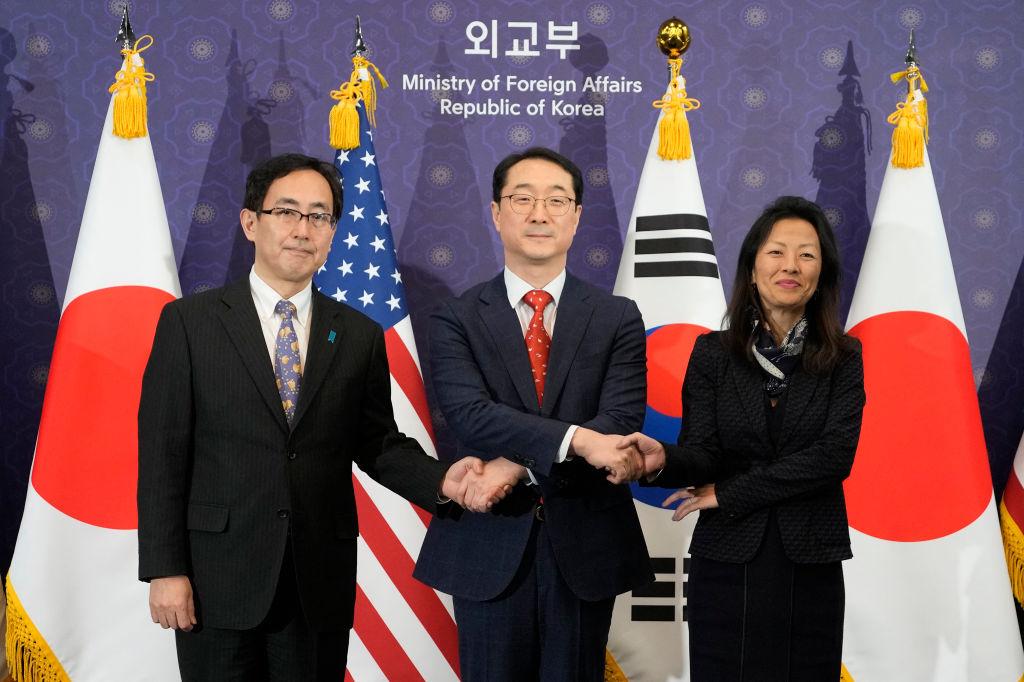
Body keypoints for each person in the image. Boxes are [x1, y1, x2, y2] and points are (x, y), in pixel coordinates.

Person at [137, 153, 504, 681]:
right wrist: (165, 569)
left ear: (332, 232)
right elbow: (163, 454)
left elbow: (377, 443)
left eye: (319, 216)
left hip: (317, 581)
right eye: (286, 212)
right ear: (250, 222)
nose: (302, 229)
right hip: (216, 578)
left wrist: (442, 479)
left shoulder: (356, 334)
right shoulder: (189, 324)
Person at [414, 147, 654, 681]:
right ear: (497, 214)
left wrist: (519, 465)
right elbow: (470, 415)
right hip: (487, 541)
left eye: (556, 200)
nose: (539, 213)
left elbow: (618, 417)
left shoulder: (617, 316)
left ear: (576, 217)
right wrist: (578, 441)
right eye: (522, 199)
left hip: (585, 541)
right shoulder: (455, 317)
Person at [623, 195, 866, 680]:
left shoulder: (845, 356)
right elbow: (705, 452)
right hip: (728, 554)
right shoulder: (713, 353)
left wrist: (733, 492)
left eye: (806, 254)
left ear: (822, 274)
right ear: (752, 267)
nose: (790, 266)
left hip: (810, 554)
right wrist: (663, 462)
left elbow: (833, 457)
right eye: (776, 252)